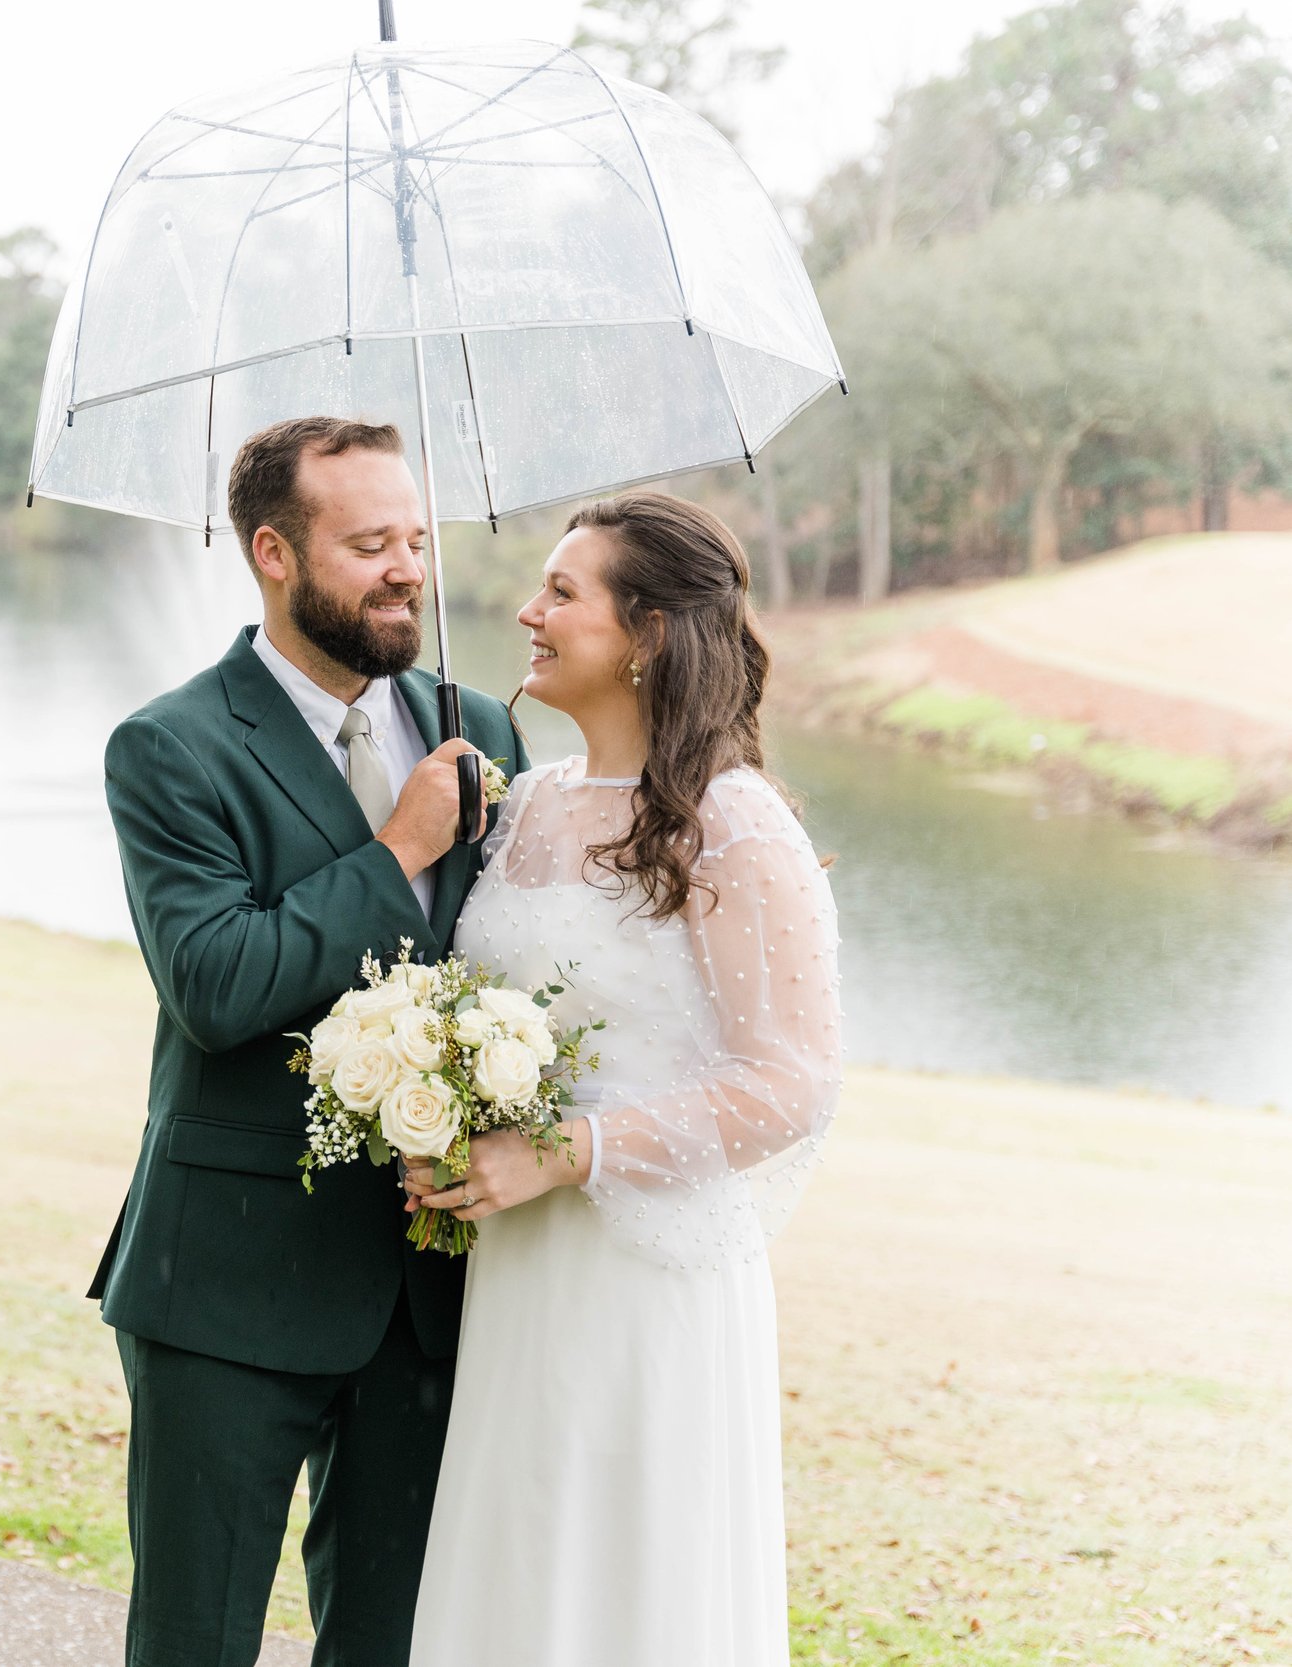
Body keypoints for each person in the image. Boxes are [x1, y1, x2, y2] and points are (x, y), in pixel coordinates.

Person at [95, 414, 531, 1667]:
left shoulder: (484, 731)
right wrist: (396, 848)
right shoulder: (170, 747)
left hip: (425, 1279)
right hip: (223, 1280)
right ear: (273, 553)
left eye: (416, 536)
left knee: (394, 1643)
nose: (407, 567)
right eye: (368, 542)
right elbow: (219, 984)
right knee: (193, 1640)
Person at [403, 491, 844, 1666]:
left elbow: (790, 1082)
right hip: (520, 1269)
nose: (526, 610)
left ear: (645, 632)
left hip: (646, 1273)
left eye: (561, 591)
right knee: (521, 1560)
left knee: (628, 1588)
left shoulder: (733, 824)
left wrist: (567, 1151)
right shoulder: (528, 800)